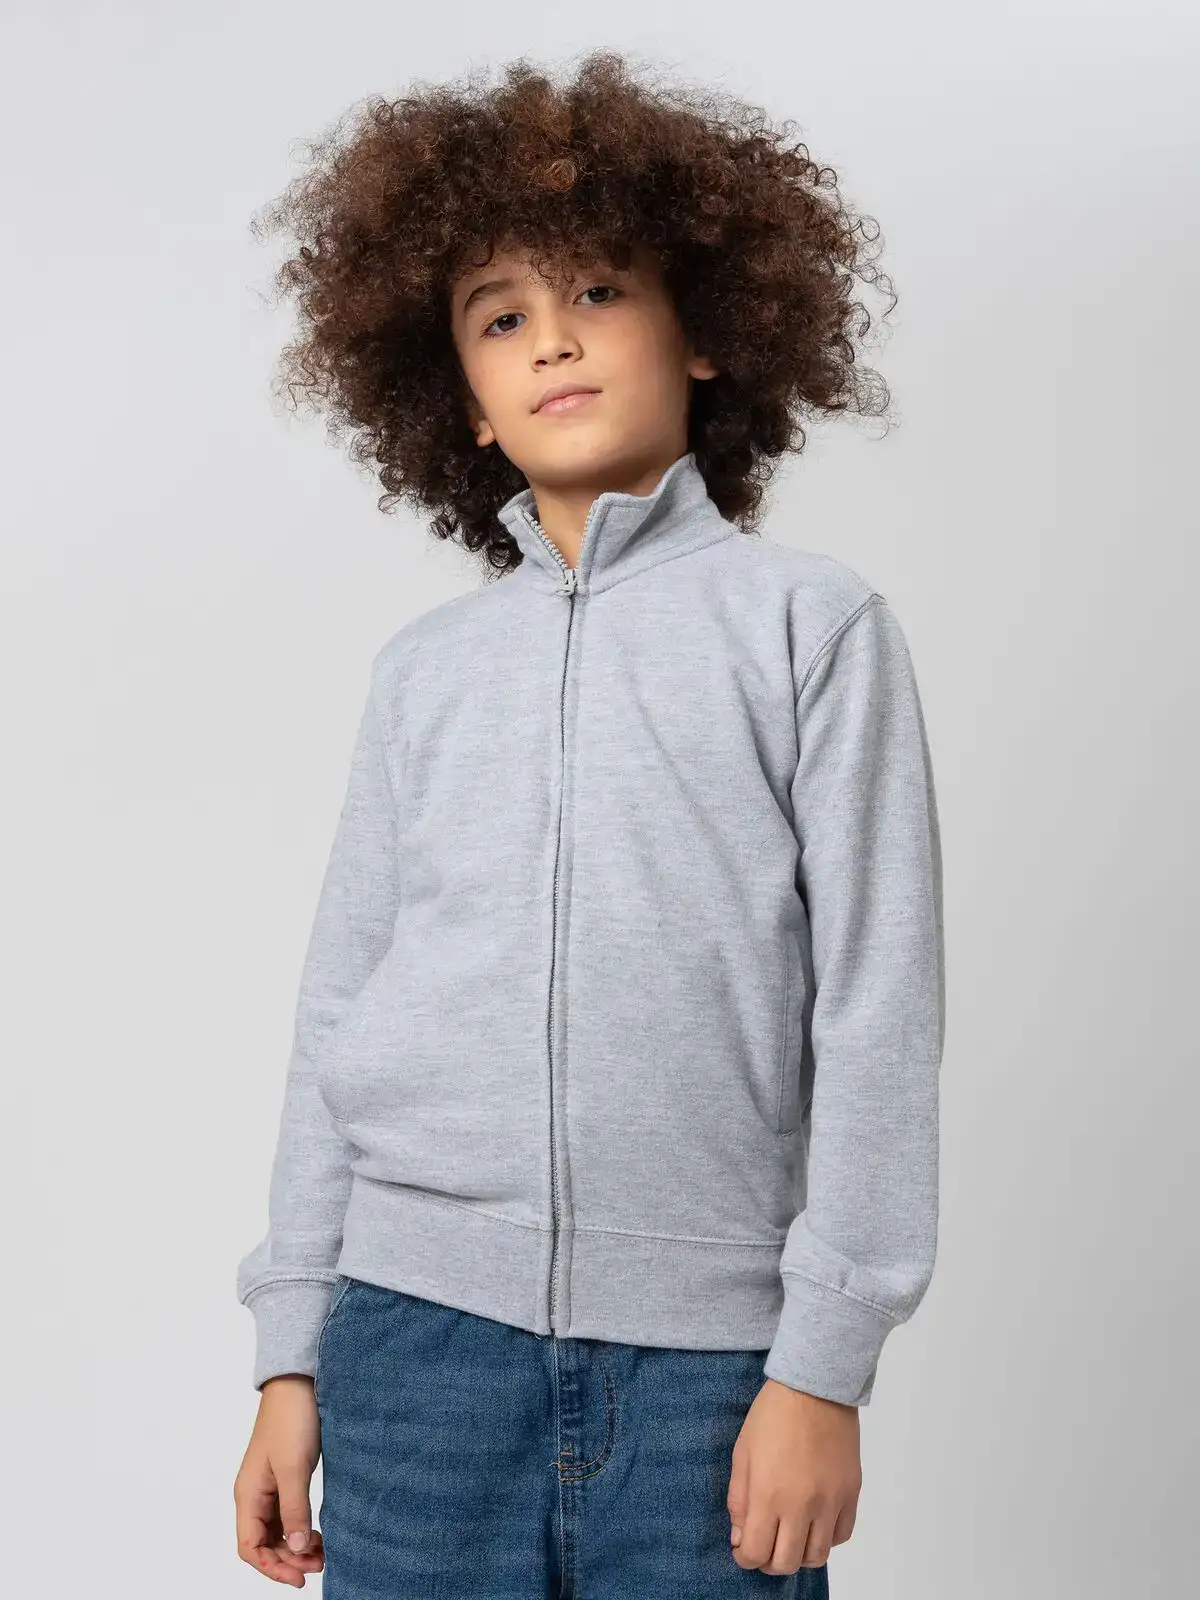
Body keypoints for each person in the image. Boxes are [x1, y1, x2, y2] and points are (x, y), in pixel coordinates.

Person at [232, 49, 945, 1597]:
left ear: (708, 332)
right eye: (500, 317)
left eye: (599, 292)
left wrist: (823, 1366)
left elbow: (878, 1012)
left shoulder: (810, 630)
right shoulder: (424, 674)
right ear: (465, 404)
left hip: (710, 1381)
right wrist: (292, 1352)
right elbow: (337, 1015)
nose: (551, 338)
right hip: (410, 1359)